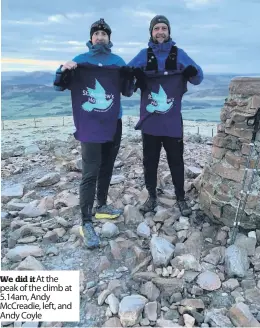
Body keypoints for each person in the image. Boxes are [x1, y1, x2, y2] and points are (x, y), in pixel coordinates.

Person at [53, 18, 133, 248]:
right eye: (96, 33)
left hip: (113, 122)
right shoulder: (80, 60)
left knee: (107, 165)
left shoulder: (117, 61)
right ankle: (85, 222)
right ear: (90, 38)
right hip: (89, 125)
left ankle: (102, 206)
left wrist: (128, 75)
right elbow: (59, 85)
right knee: (90, 172)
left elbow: (127, 91)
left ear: (109, 38)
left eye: (104, 34)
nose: (100, 37)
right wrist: (63, 69)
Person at [128, 15, 203, 217]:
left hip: (171, 123)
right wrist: (136, 77)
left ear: (169, 32)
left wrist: (190, 71)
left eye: (164, 28)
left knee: (176, 161)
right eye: (156, 29)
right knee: (149, 162)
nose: (160, 32)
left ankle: (181, 198)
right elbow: (124, 77)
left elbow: (198, 77)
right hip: (150, 122)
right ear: (151, 32)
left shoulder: (179, 55)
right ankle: (151, 197)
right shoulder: (143, 55)